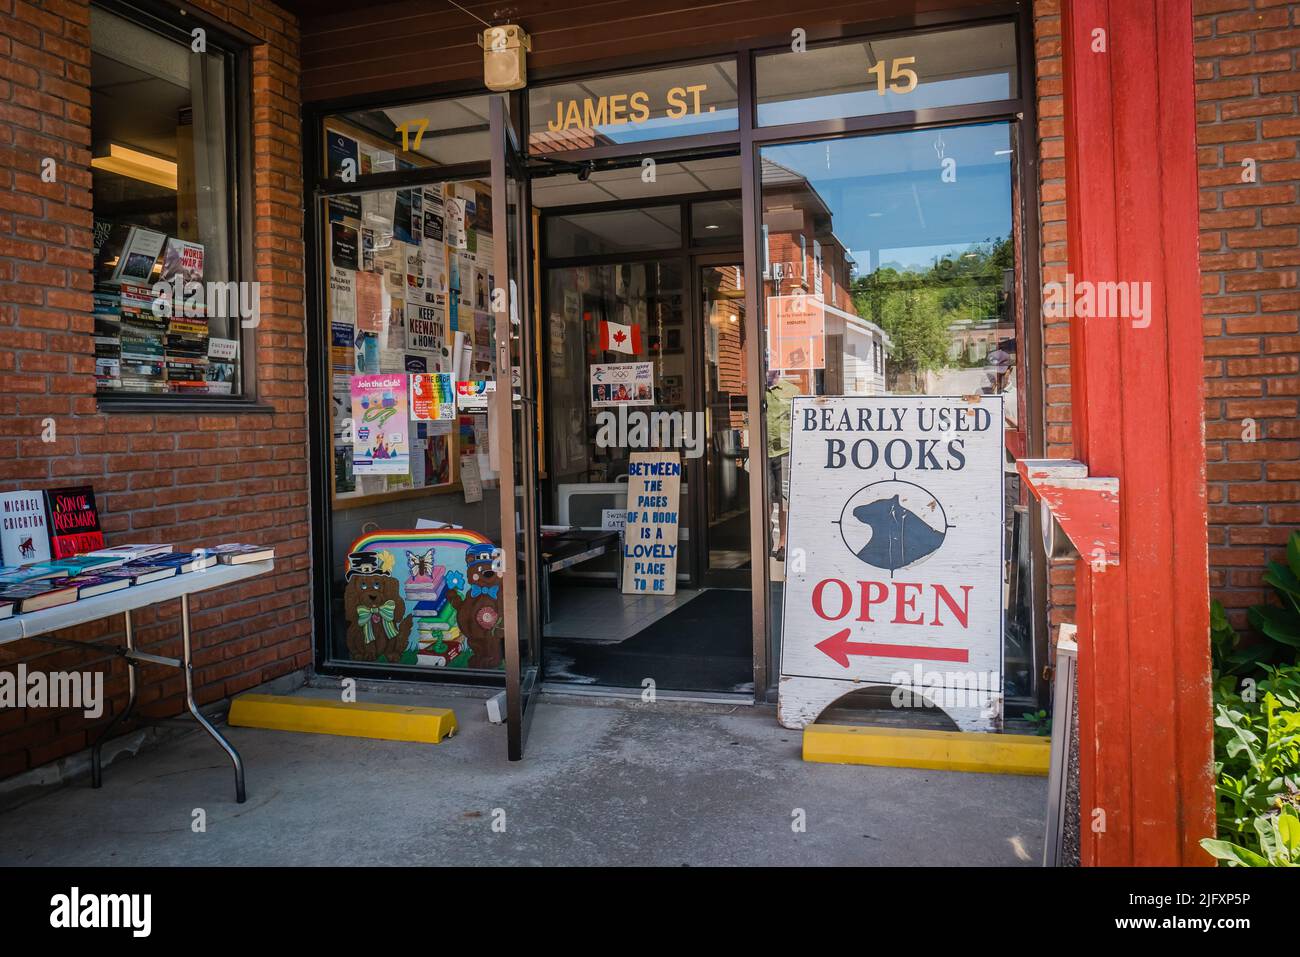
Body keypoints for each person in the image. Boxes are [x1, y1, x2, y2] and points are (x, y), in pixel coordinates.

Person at [764, 369, 801, 562]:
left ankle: (783, 543)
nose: (768, 370)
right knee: (766, 501)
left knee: (784, 502)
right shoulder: (758, 391)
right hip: (763, 452)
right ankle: (766, 540)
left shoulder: (792, 390)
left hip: (785, 452)